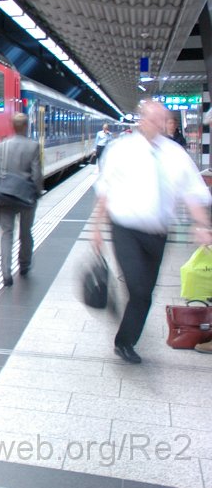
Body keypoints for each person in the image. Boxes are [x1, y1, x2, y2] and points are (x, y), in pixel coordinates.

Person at [90, 99, 212, 364]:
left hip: (158, 234)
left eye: (162, 120)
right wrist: (97, 228)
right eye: (152, 118)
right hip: (125, 230)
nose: (157, 124)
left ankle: (126, 337)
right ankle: (124, 344)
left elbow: (193, 193)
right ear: (141, 119)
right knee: (138, 289)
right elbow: (105, 191)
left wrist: (201, 225)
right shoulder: (120, 149)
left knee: (146, 292)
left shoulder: (175, 154)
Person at [0, 112, 43, 286]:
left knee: (6, 234)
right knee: (26, 233)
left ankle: (6, 273)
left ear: (12, 126)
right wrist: (38, 192)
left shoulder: (0, 146)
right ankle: (24, 265)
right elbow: (36, 175)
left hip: (6, 196)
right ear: (26, 126)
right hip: (27, 197)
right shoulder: (33, 146)